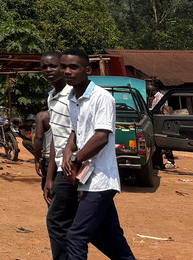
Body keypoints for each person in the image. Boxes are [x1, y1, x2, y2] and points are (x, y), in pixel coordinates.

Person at [60, 49, 137, 260]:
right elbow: (77, 132)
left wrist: (76, 159)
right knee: (109, 236)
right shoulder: (73, 98)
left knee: (76, 236)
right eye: (64, 67)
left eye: (73, 67)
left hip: (101, 180)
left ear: (88, 69)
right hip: (87, 179)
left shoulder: (101, 97)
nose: (67, 71)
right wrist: (68, 150)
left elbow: (101, 137)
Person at [42, 51, 78, 260]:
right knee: (90, 226)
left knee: (56, 222)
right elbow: (56, 135)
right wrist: (49, 176)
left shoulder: (73, 96)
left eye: (53, 66)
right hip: (59, 168)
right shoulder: (52, 96)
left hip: (74, 166)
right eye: (44, 67)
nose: (49, 70)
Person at [147, 79, 176, 170]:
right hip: (156, 121)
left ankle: (170, 161)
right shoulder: (154, 98)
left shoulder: (160, 97)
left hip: (161, 121)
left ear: (154, 88)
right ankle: (158, 163)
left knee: (164, 141)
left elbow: (159, 109)